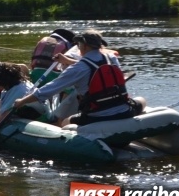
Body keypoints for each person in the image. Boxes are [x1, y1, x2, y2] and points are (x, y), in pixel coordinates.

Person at [14, 30, 145, 127]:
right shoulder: (111, 58)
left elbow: (49, 89)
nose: (77, 47)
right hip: (124, 108)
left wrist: (21, 101)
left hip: (97, 114)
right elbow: (92, 66)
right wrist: (67, 60)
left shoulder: (79, 68)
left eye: (78, 45)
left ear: (85, 46)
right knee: (141, 100)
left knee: (63, 122)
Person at [0, 62, 50, 140]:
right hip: (26, 111)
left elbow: (3, 118)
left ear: (3, 80)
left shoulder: (19, 91)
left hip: (40, 117)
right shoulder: (12, 86)